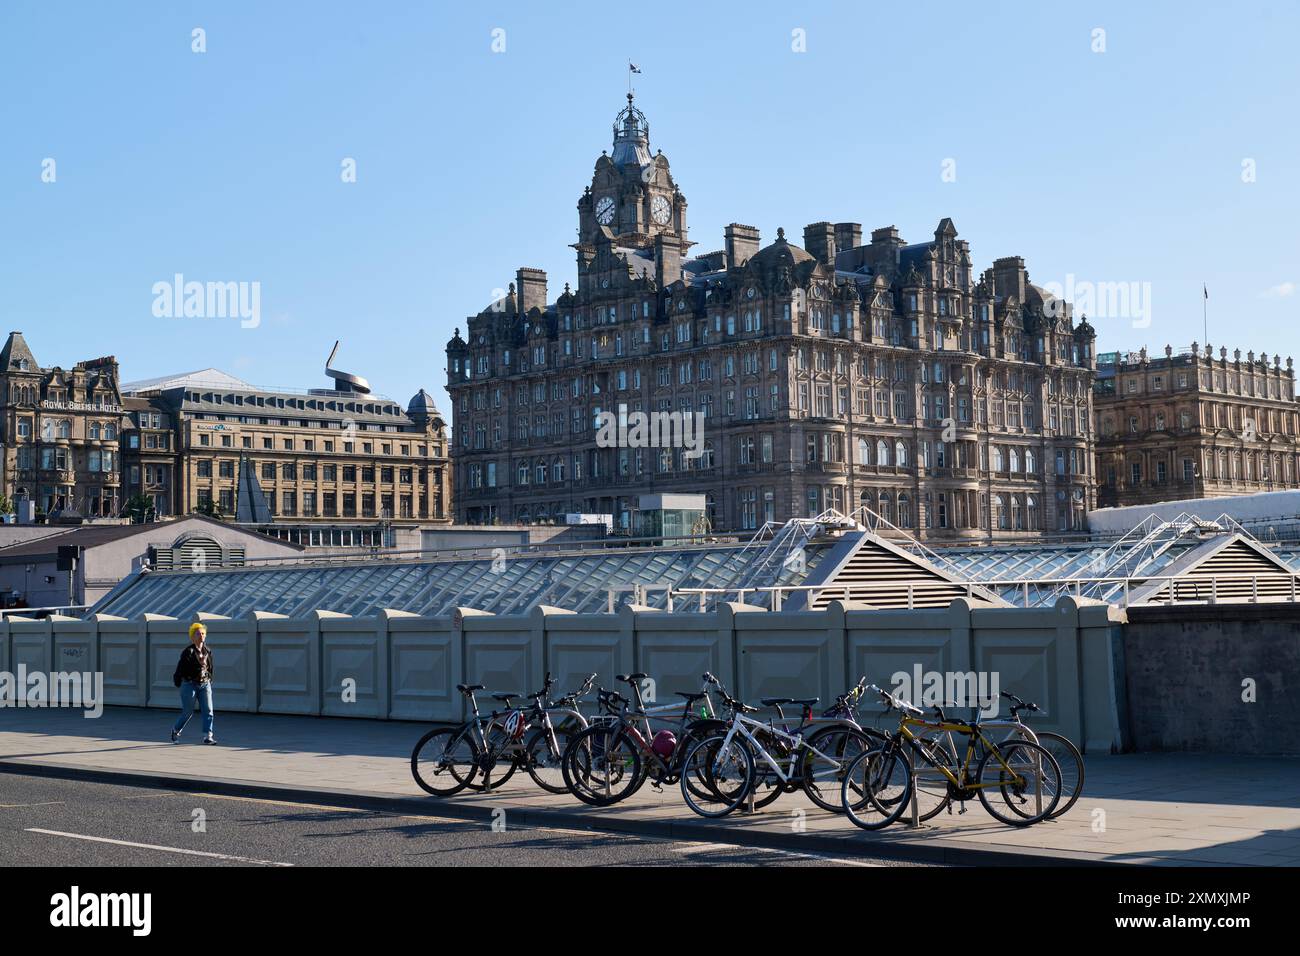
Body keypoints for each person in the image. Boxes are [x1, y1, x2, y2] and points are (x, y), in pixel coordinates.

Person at [171, 622, 216, 744]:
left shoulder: (208, 651)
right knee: (187, 712)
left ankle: (208, 736)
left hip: (204, 684)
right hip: (190, 684)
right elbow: (180, 668)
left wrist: (210, 678)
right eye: (198, 634)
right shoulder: (188, 652)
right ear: (192, 636)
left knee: (208, 711)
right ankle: (175, 730)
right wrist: (178, 681)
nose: (201, 636)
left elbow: (210, 666)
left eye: (203, 633)